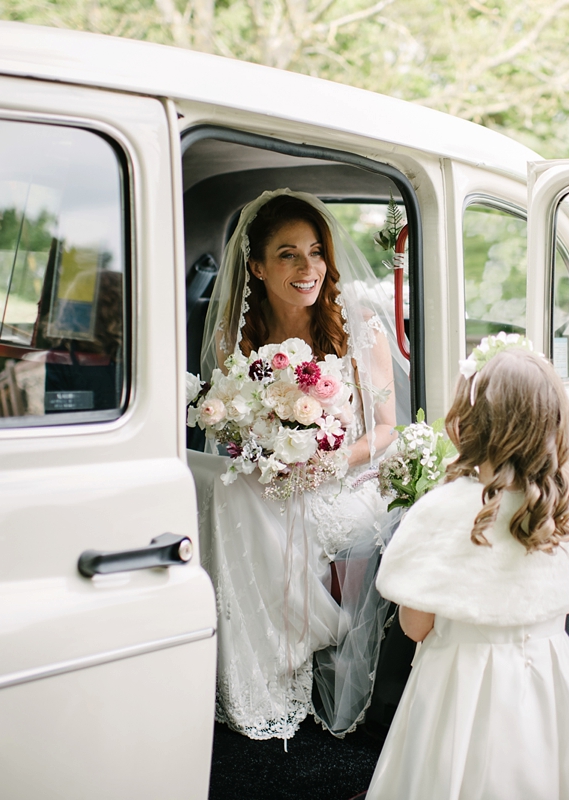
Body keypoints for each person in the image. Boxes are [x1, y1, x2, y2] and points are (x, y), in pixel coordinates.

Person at [192, 189, 408, 741]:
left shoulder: (361, 328)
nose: (307, 267)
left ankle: (294, 654)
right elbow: (231, 425)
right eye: (287, 254)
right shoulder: (233, 338)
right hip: (273, 481)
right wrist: (263, 450)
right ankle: (259, 680)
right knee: (234, 493)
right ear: (258, 266)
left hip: (348, 480)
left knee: (270, 509)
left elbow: (386, 430)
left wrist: (328, 461)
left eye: (315, 252)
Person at [366, 339, 569, 800]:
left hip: (456, 686)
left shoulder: (442, 510)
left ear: (467, 424)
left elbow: (416, 626)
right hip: (547, 679)